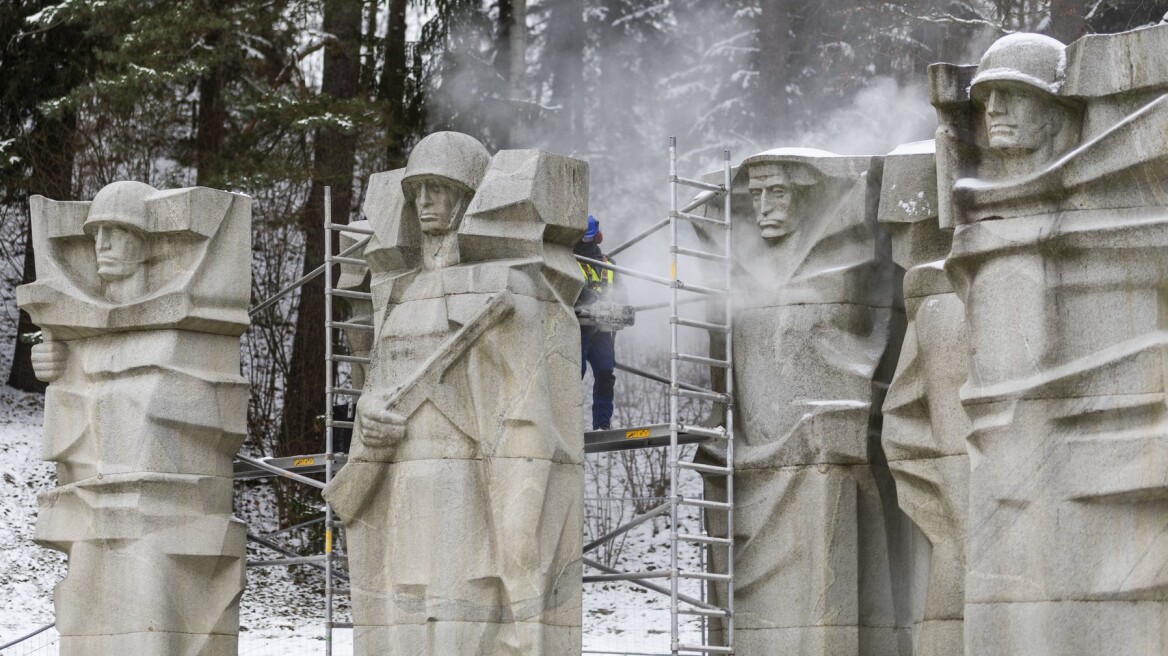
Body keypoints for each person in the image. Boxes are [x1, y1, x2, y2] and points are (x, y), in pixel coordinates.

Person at [575, 214, 620, 430]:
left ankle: (602, 424)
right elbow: (572, 290)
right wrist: (592, 300)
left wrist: (621, 310)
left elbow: (622, 295)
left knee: (605, 373)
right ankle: (569, 422)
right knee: (576, 371)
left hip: (602, 329)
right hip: (578, 329)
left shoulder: (608, 264)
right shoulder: (569, 262)